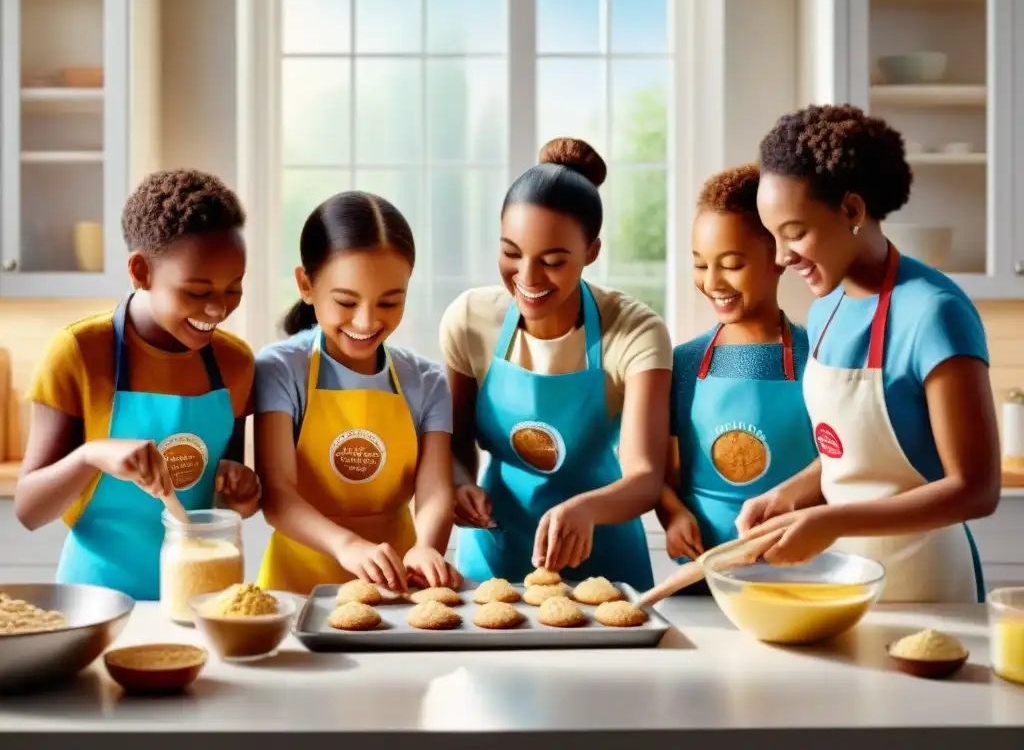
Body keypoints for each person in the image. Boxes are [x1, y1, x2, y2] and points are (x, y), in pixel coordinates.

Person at [739, 103, 999, 602]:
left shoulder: (934, 313)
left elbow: (976, 488)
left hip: (927, 586)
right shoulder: (826, 309)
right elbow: (856, 459)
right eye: (773, 236)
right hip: (845, 580)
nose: (779, 256)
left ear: (852, 211)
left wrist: (832, 520)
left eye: (795, 233)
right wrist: (792, 494)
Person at [15, 169, 261, 600]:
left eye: (233, 289)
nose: (218, 308)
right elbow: (30, 511)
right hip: (96, 596)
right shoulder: (79, 353)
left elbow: (227, 502)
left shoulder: (235, 363)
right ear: (141, 271)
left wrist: (243, 493)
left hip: (203, 594)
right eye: (196, 290)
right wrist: (92, 455)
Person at [440, 138, 672, 591]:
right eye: (510, 253)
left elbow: (645, 477)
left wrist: (585, 509)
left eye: (552, 261)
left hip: (605, 559)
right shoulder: (470, 320)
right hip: (495, 554)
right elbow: (452, 442)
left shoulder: (635, 330)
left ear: (591, 252)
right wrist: (461, 483)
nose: (527, 278)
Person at [254, 191, 458, 595]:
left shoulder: (427, 381)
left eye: (390, 302)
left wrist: (426, 547)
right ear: (306, 285)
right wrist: (346, 545)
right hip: (295, 590)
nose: (367, 321)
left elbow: (435, 490)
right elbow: (277, 495)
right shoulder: (281, 369)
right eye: (346, 301)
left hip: (398, 588)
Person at [657, 164, 817, 593]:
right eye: (700, 265)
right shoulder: (684, 364)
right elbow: (660, 475)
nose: (712, 283)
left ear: (778, 258)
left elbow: (840, 467)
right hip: (700, 578)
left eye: (731, 264)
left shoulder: (816, 359)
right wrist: (672, 515)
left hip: (796, 578)